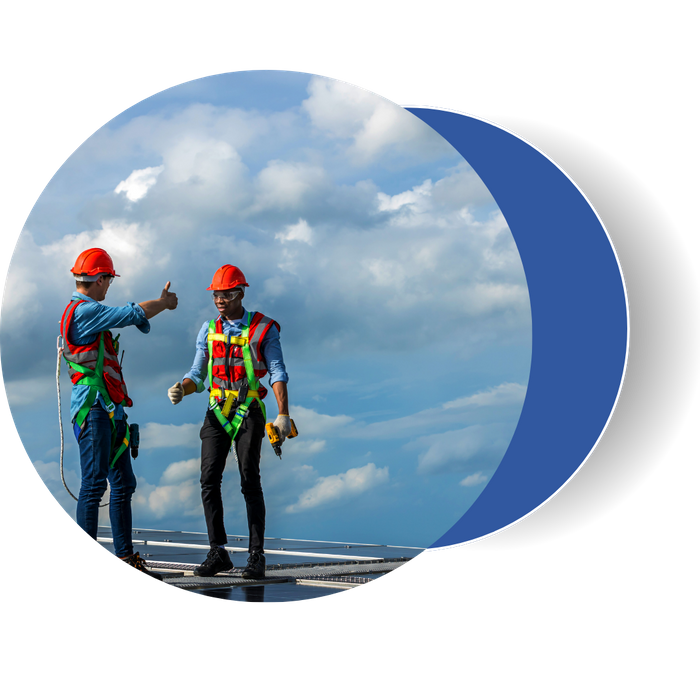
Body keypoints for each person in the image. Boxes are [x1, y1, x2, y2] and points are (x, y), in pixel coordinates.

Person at [60, 247, 178, 583]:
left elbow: (133, 318)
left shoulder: (90, 311)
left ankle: (125, 559)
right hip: (93, 409)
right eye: (108, 279)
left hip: (109, 411)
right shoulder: (84, 312)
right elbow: (130, 313)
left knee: (124, 483)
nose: (109, 285)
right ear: (100, 278)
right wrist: (164, 304)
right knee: (95, 483)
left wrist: (145, 313)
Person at [167, 264, 291, 579]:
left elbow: (277, 371)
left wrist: (283, 413)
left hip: (249, 409)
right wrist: (183, 387)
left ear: (239, 293)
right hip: (217, 409)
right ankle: (218, 551)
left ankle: (256, 556)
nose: (219, 299)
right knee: (208, 479)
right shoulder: (208, 330)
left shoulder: (264, 329)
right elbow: (198, 373)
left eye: (225, 294)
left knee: (250, 480)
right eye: (216, 295)